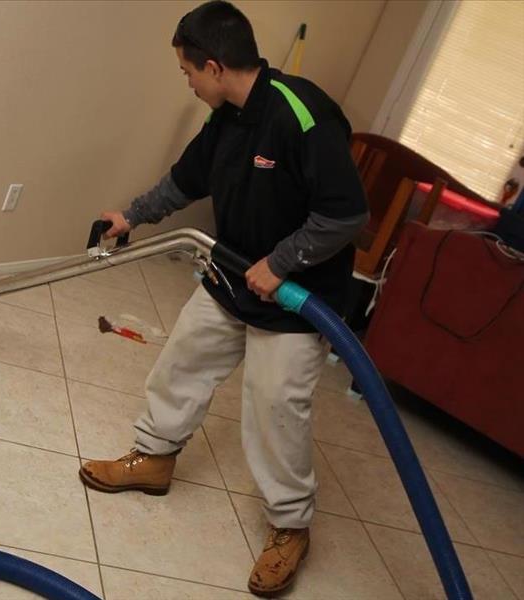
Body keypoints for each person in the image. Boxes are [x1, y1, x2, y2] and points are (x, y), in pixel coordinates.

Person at [78, 1, 368, 596]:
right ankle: (154, 457)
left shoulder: (304, 115)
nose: (185, 81)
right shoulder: (226, 119)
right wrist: (128, 216)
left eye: (187, 70)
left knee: (274, 408)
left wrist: (281, 263)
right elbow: (185, 181)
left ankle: (290, 526)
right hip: (231, 273)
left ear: (213, 66)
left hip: (296, 296)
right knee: (182, 361)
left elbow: (346, 215)